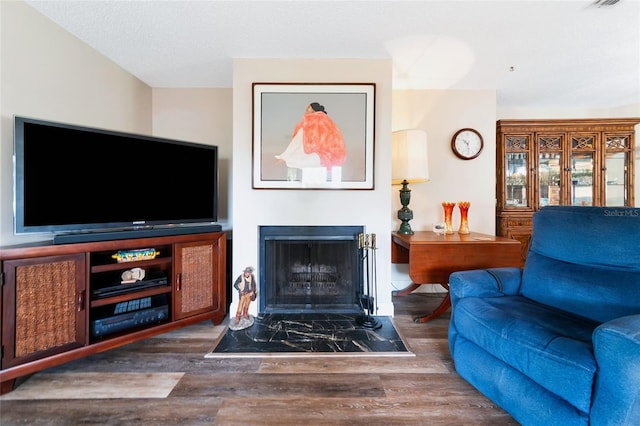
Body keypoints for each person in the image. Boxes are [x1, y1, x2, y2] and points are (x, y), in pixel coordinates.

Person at [275, 102, 346, 182]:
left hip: (322, 157)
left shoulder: (310, 124)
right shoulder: (326, 122)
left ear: (313, 111)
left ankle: (286, 158)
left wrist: (286, 157)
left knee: (297, 160)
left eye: (308, 109)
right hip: (329, 157)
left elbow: (298, 143)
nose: (305, 111)